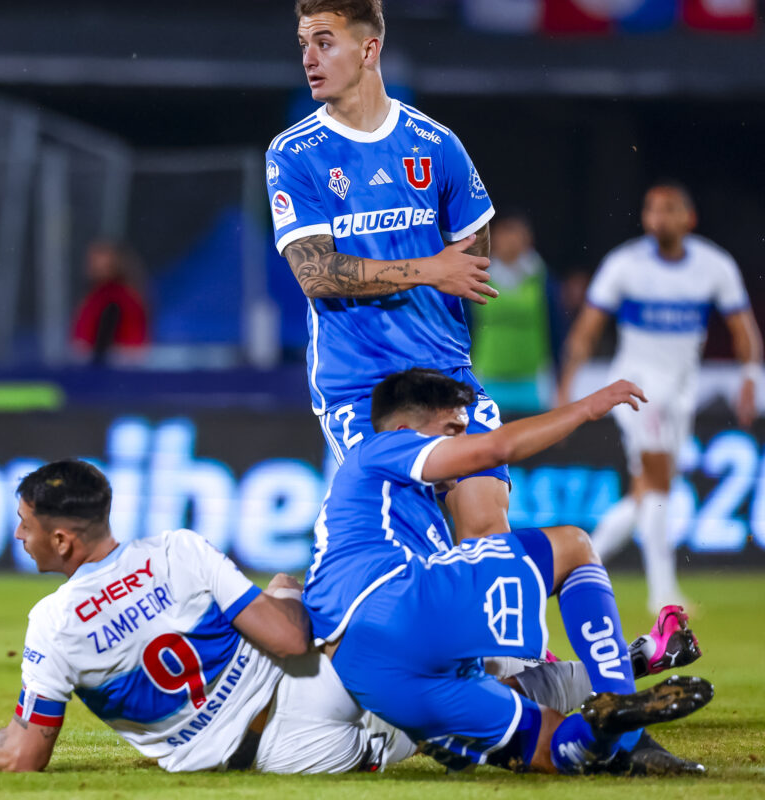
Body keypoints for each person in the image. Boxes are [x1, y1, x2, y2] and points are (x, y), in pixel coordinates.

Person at [0, 460, 696, 776]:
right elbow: (290, 636)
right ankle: (622, 664)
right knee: (441, 668)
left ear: (62, 538)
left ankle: (597, 720)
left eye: (25, 523)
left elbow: (25, 754)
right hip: (313, 679)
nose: (19, 534)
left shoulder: (51, 623)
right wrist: (278, 590)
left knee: (473, 734)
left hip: (284, 748)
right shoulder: (178, 550)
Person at [303, 368, 712, 776]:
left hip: (371, 675)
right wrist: (586, 407)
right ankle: (620, 705)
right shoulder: (382, 448)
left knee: (551, 748)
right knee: (573, 546)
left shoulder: (383, 513)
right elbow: (495, 448)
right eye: (453, 430)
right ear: (408, 430)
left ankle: (604, 729)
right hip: (393, 606)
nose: (463, 442)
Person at [268, 0, 507, 542]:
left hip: (445, 372)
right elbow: (317, 275)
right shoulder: (294, 152)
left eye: (324, 42)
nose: (309, 57)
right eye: (304, 44)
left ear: (369, 49)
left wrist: (449, 269)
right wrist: (427, 268)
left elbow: (471, 260)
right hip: (362, 388)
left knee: (487, 528)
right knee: (412, 539)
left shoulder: (437, 144)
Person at [556, 180, 763, 613]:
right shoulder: (625, 264)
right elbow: (587, 330)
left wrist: (750, 375)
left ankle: (573, 562)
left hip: (683, 391)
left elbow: (743, 328)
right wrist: (566, 383)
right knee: (655, 481)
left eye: (667, 209)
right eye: (651, 209)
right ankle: (662, 593)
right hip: (638, 388)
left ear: (689, 217)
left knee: (648, 491)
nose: (657, 218)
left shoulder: (713, 265)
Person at [470, 213, 554, 413]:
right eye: (504, 235)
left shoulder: (542, 276)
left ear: (528, 239)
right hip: (488, 375)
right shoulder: (476, 275)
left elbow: (555, 325)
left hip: (532, 378)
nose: (510, 241)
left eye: (516, 234)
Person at [71, 239, 149, 365]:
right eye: (91, 260)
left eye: (99, 260)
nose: (92, 264)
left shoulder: (118, 297)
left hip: (114, 368)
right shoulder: (95, 295)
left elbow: (131, 345)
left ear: (114, 263)